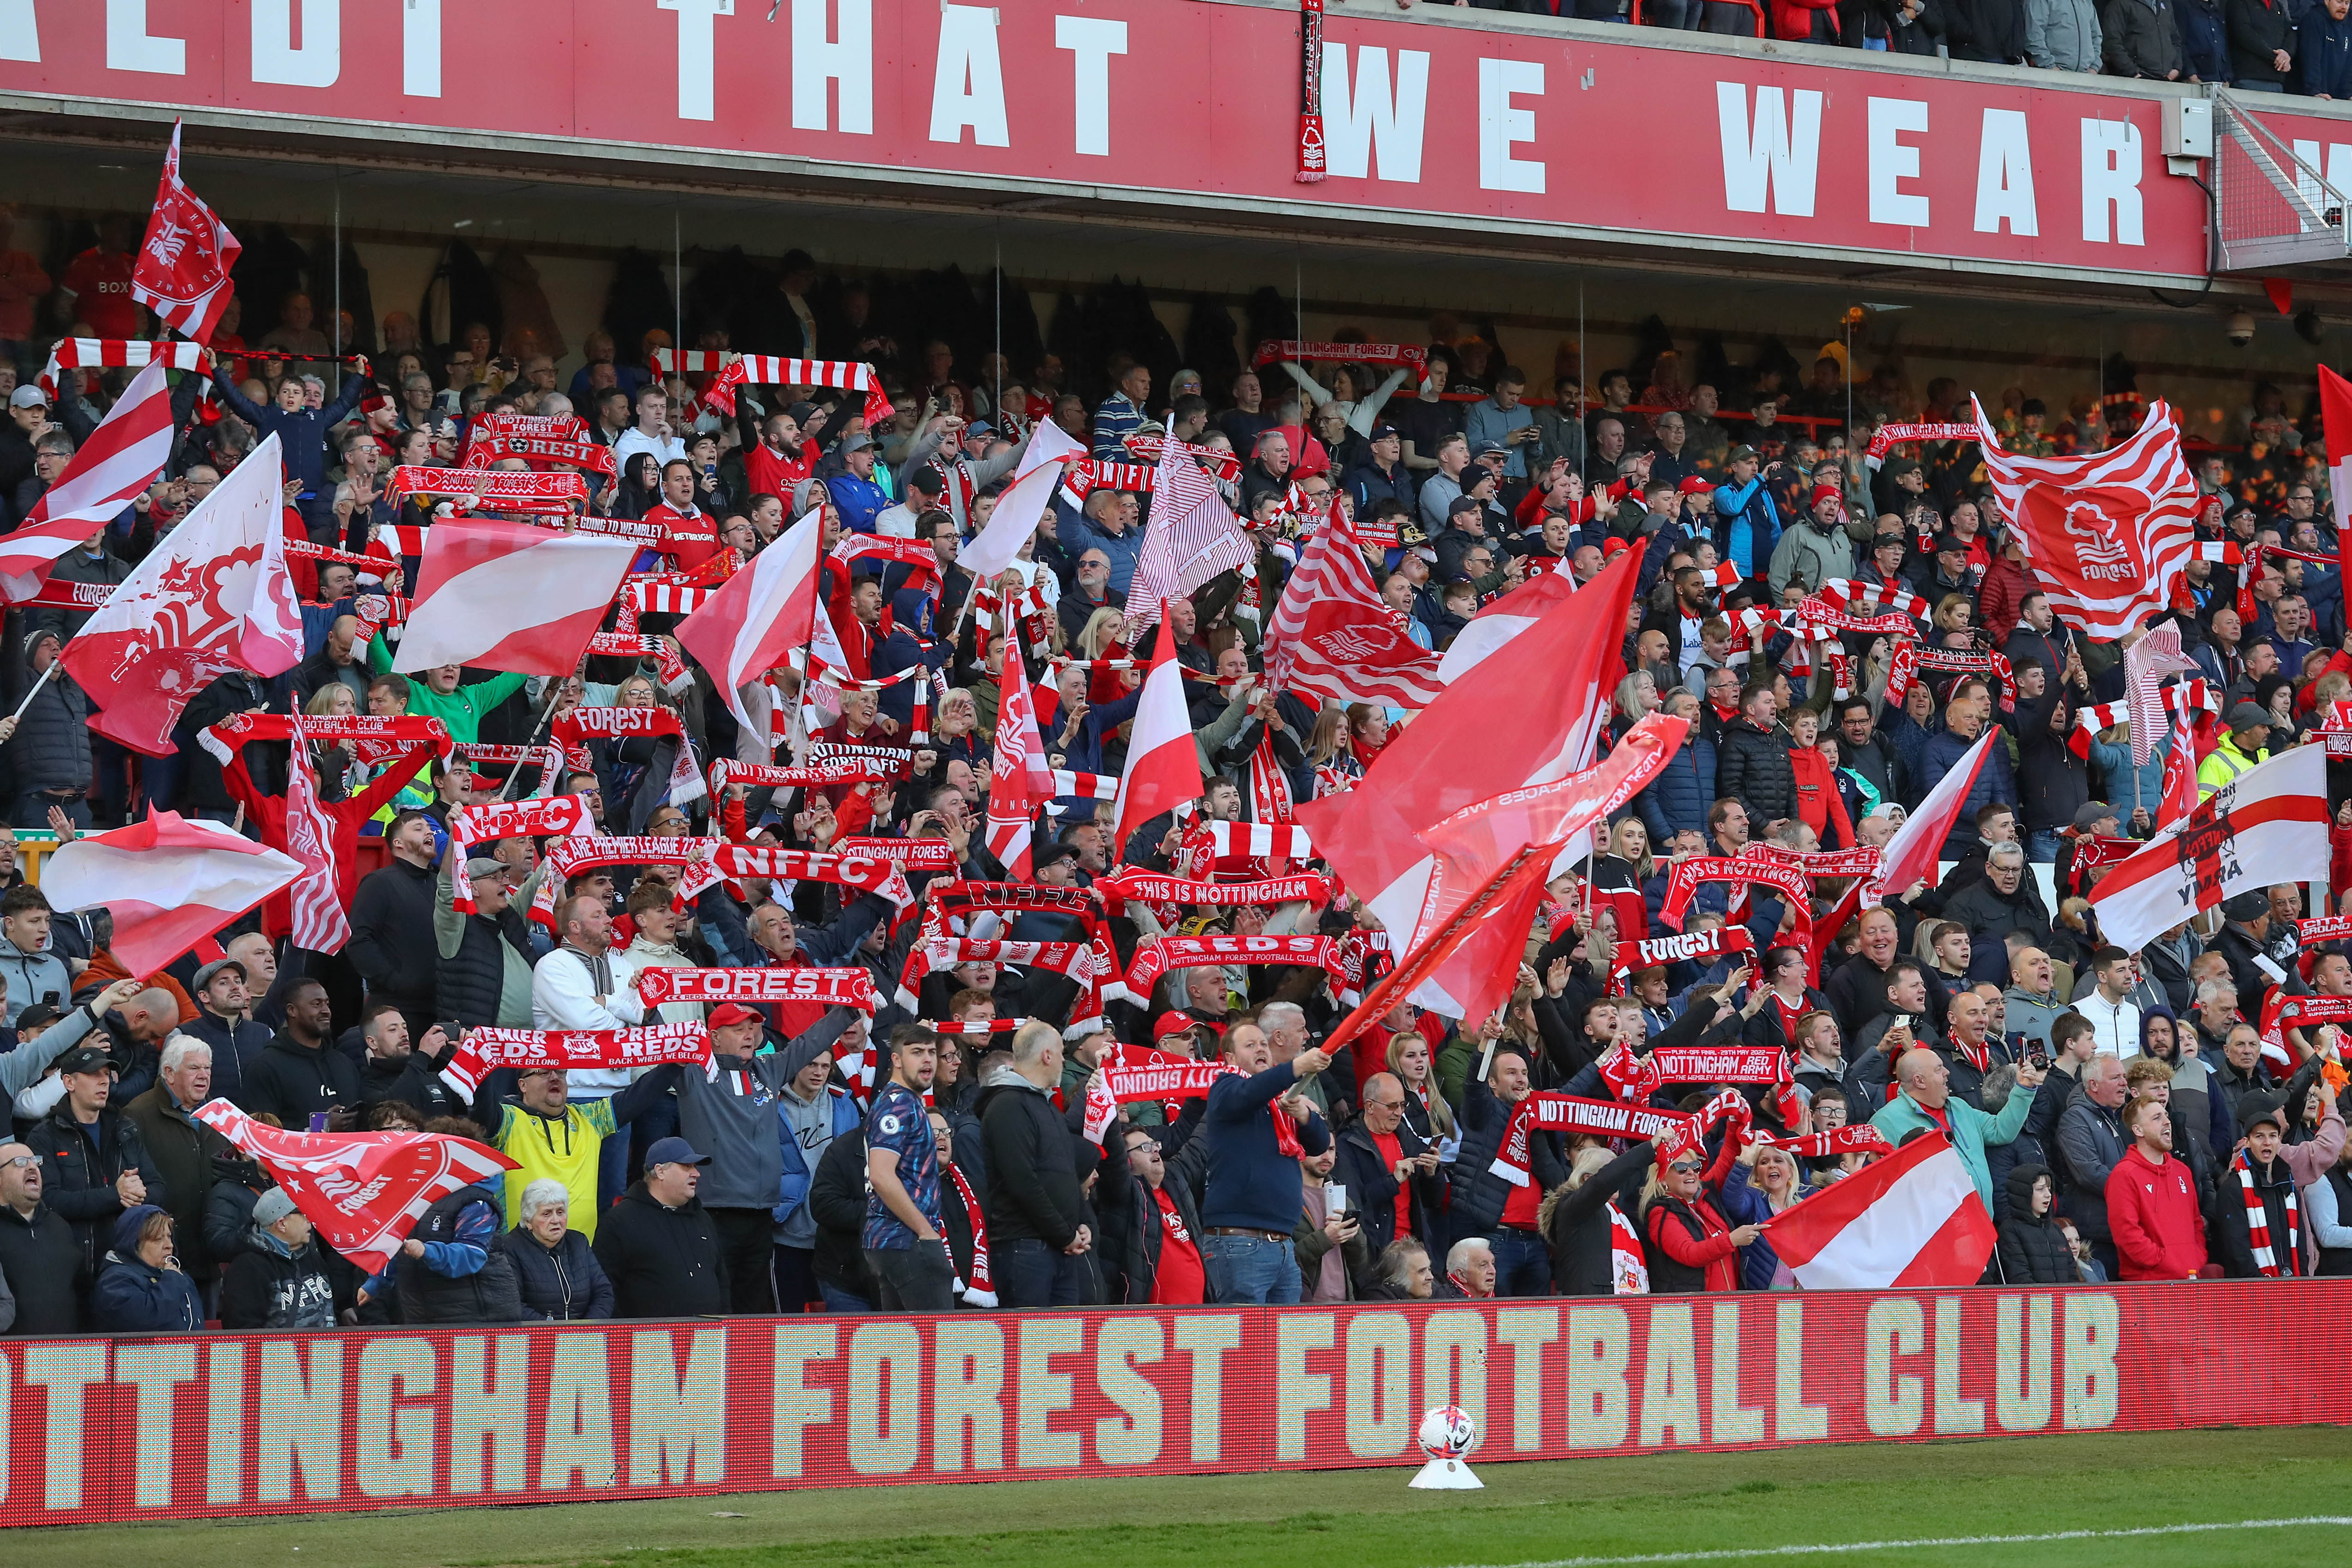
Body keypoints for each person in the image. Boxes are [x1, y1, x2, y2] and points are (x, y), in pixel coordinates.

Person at [679, 1002, 855, 1314]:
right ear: (714, 1037)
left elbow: (809, 1043)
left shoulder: (767, 1070)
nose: (749, 1035)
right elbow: (655, 1043)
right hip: (716, 1213)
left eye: (752, 1028)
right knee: (716, 1303)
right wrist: (645, 1010)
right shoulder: (692, 1074)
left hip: (763, 1214)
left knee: (754, 1306)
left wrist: (850, 1008)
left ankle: (748, 1364)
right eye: (738, 1029)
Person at [1197, 1021, 1332, 1304]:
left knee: (1281, 1345)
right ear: (1231, 1059)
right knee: (1244, 1343)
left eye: (1263, 1044)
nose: (1261, 1049)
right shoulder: (1225, 1088)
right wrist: (1297, 1067)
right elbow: (1249, 1093)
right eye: (1250, 1045)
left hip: (1282, 1244)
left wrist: (1304, 1116)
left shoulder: (1280, 1100)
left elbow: (1319, 1145)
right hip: (1240, 1241)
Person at [977, 1021, 1093, 1307]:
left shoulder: (1044, 1104)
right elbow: (1022, 1181)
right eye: (1061, 1052)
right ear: (1047, 1056)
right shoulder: (1008, 1105)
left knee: (1063, 1348)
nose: (1064, 1060)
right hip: (1025, 1249)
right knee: (1029, 1349)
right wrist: (1065, 1234)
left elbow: (1065, 1172)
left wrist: (1081, 1222)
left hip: (1059, 1248)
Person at [37, 1041, 166, 1276]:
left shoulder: (125, 1128)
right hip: (72, 1269)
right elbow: (49, 1201)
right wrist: (115, 1195)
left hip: (127, 1268)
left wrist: (136, 1193)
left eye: (107, 1075)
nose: (104, 1081)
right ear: (69, 1082)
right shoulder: (46, 1135)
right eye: (93, 1074)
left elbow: (158, 1188)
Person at [1872, 1046, 2045, 1215]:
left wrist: (2024, 1088)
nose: (1947, 1072)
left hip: (1983, 1226)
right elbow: (1883, 1190)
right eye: (1939, 1069)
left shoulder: (1959, 1107)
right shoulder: (1887, 1121)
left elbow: (2001, 1130)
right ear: (1919, 1081)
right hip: (1941, 1235)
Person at [122, 1033, 233, 1289]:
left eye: (208, 1068)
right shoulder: (138, 1114)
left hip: (212, 1250)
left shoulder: (219, 1114)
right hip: (164, 1251)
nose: (204, 1075)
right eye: (194, 1068)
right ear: (169, 1073)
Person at [862, 1024, 957, 1311]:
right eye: (917, 1052)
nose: (928, 1059)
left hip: (892, 1240)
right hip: (905, 1239)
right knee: (936, 1343)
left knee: (903, 1349)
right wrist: (925, 1231)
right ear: (897, 1060)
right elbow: (880, 1175)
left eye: (931, 1052)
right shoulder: (897, 1106)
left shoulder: (907, 1102)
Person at [594, 1136, 728, 1316]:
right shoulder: (620, 1221)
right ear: (660, 1171)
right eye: (686, 1166)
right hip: (651, 1341)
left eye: (695, 1167)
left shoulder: (702, 1218)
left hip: (705, 1340)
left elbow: (722, 1280)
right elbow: (605, 1290)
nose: (696, 1174)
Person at [1640, 1128, 1757, 1293]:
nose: (1691, 1172)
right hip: (1694, 1311)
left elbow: (1727, 1158)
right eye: (1681, 1168)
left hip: (1729, 1305)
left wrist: (1734, 1124)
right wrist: (1731, 1240)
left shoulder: (1707, 1197)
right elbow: (1690, 1253)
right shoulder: (1661, 1214)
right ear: (1662, 1178)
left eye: (1695, 1167)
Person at [2105, 1095, 2208, 1280]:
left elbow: (2196, 1223)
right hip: (2149, 1288)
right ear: (2138, 1130)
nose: (2167, 1122)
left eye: (2166, 1115)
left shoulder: (2182, 1171)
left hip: (2190, 1280)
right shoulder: (2124, 1175)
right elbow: (2127, 1234)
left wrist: (2196, 1257)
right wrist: (2162, 1261)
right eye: (2157, 1118)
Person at [241, 978, 361, 1130]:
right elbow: (260, 1132)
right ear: (292, 1011)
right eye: (317, 1004)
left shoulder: (344, 1063)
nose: (326, 1011)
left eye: (327, 1004)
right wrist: (320, 1126)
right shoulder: (264, 1068)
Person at [498, 1178, 616, 1320]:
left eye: (560, 1212)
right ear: (528, 1220)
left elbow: (604, 1292)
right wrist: (555, 1334)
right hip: (539, 1338)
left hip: (584, 1338)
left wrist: (586, 1330)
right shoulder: (510, 1248)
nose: (556, 1220)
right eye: (547, 1214)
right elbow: (513, 1305)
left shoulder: (579, 1242)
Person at [220, 1188, 338, 1329]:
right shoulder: (248, 1269)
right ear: (282, 1224)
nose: (310, 1220)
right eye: (303, 1214)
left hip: (325, 1349)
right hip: (281, 1351)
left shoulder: (309, 1255)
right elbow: (243, 1334)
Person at [0, 1138, 85, 1332]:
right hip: (12, 1357)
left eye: (35, 1161)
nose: (32, 1167)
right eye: (20, 1162)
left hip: (65, 1354)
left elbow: (82, 1289)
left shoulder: (59, 1226)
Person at [90, 1204, 205, 1332]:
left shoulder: (178, 1276)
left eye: (169, 1236)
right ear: (134, 1244)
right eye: (158, 1239)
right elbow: (145, 1320)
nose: (170, 1245)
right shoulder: (114, 1282)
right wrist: (172, 1282)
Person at [1995, 1165, 2078, 1284]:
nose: (2048, 1195)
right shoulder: (2010, 1230)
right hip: (2032, 1301)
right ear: (2023, 1193)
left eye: (2049, 1189)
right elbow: (2019, 1278)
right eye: (2040, 1189)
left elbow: (2072, 1274)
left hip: (2062, 1302)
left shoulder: (2056, 1230)